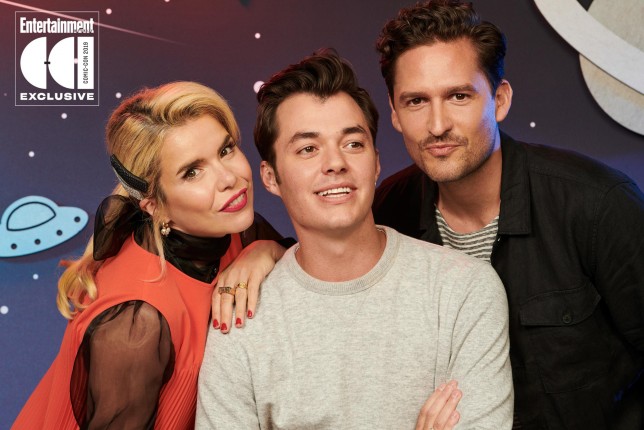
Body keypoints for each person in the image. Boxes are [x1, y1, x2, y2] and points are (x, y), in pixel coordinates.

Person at [196, 49, 513, 430]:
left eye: (352, 144)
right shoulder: (241, 316)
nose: (335, 163)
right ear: (270, 177)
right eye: (308, 149)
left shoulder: (464, 290)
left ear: (376, 163)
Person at [372, 1, 644, 428]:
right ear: (394, 112)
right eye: (417, 101)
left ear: (499, 100)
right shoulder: (387, 212)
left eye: (459, 96)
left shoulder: (596, 203)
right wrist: (267, 250)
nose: (437, 125)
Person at [12, 81, 292, 429]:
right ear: (154, 205)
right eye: (192, 172)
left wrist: (267, 251)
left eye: (226, 150)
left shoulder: (233, 229)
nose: (229, 178)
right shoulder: (136, 323)